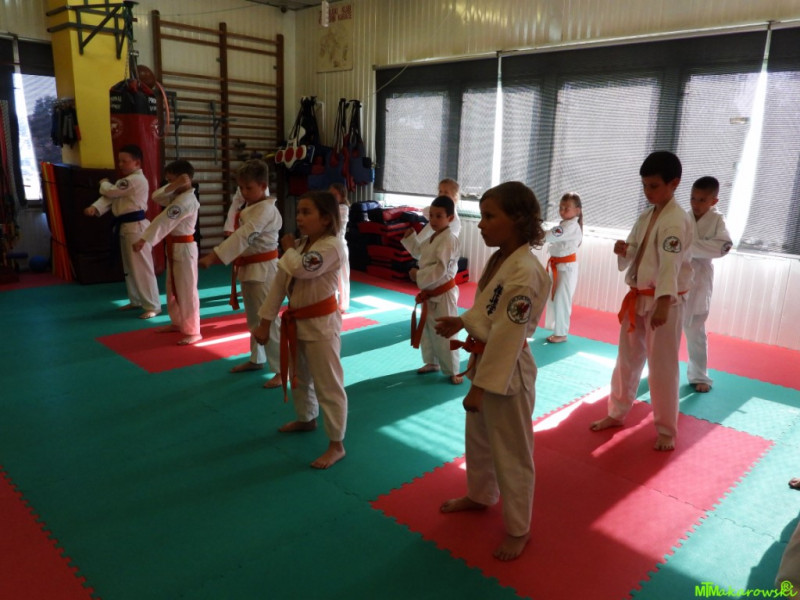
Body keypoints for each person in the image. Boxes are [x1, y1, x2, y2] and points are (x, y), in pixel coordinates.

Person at [434, 181, 550, 561]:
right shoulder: (503, 258)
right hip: (486, 361)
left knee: (512, 452)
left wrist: (480, 388)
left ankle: (519, 529)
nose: (480, 224)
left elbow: (508, 335)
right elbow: (490, 310)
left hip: (508, 372)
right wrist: (463, 321)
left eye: (489, 216)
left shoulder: (525, 271)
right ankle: (481, 494)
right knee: (480, 440)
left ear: (516, 219)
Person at [590, 151, 694, 451]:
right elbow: (638, 249)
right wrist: (625, 250)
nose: (648, 192)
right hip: (638, 298)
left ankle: (666, 430)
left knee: (662, 367)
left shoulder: (676, 220)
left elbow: (670, 265)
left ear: (674, 183)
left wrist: (663, 302)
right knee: (627, 359)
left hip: (664, 302)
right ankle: (616, 412)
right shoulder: (647, 215)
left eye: (654, 186)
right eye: (645, 185)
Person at [252, 191, 348, 469]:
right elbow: (279, 285)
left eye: (307, 212)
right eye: (299, 212)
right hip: (297, 322)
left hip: (322, 325)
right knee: (300, 376)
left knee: (328, 384)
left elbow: (303, 269)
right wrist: (265, 322)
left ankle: (337, 444)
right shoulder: (300, 245)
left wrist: (288, 249)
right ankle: (307, 418)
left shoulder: (333, 246)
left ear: (326, 219)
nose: (299, 218)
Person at [198, 160, 282, 387]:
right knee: (254, 318)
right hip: (249, 267)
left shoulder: (265, 209)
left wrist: (214, 256)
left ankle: (282, 369)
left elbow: (243, 235)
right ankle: (257, 358)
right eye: (241, 188)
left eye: (249, 188)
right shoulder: (253, 206)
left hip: (264, 269)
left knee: (269, 320)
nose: (244, 193)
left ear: (263, 186)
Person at [84, 144, 161, 319]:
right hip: (125, 227)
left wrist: (103, 182)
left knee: (142, 268)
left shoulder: (135, 180)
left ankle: (153, 306)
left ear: (137, 163)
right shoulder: (125, 181)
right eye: (119, 161)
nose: (120, 164)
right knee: (129, 267)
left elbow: (110, 192)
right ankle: (136, 300)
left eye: (124, 161)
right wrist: (95, 208)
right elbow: (111, 198)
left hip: (136, 228)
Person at [132, 160, 201, 345]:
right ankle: (177, 322)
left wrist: (144, 239)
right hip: (174, 247)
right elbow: (156, 197)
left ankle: (194, 331)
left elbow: (164, 220)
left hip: (184, 249)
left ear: (185, 178)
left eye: (172, 180)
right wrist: (174, 185)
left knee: (186, 290)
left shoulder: (186, 200)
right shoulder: (176, 195)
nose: (169, 183)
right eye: (169, 181)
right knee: (172, 288)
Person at [402, 195, 462, 384]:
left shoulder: (449, 239)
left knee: (446, 331)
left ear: (450, 218)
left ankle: (454, 370)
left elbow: (440, 269)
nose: (434, 220)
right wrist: (410, 239)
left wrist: (417, 275)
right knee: (428, 331)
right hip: (431, 291)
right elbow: (420, 253)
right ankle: (432, 362)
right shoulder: (434, 237)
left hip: (443, 293)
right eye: (432, 216)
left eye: (439, 216)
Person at [683, 176, 732, 393]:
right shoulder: (683, 217)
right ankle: (658, 370)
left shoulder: (717, 220)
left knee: (696, 330)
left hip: (700, 279)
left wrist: (688, 247)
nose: (696, 203)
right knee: (666, 329)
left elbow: (723, 246)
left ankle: (699, 376)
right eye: (693, 198)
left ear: (714, 201)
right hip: (679, 275)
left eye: (702, 199)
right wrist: (692, 247)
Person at [544, 192, 583, 343]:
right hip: (558, 265)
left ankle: (562, 333)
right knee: (554, 298)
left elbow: (550, 236)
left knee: (562, 299)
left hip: (566, 268)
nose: (562, 210)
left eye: (567, 208)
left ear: (577, 210)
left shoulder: (571, 226)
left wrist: (536, 235)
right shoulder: (565, 225)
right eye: (561, 207)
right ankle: (555, 329)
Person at [329, 182, 351, 312]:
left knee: (341, 277)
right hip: (331, 245)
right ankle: (332, 301)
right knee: (331, 276)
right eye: (330, 194)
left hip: (339, 245)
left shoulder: (343, 208)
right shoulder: (331, 208)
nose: (332, 197)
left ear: (342, 196)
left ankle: (342, 304)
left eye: (335, 195)